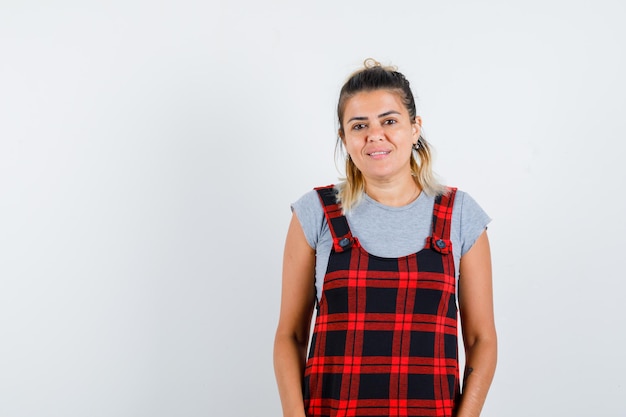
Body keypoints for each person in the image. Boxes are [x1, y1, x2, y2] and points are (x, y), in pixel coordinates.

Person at [273, 59, 497, 417]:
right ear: (344, 139)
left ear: (414, 128)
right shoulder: (315, 212)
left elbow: (480, 339)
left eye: (389, 121)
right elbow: (291, 337)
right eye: (359, 125)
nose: (374, 135)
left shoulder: (460, 215)